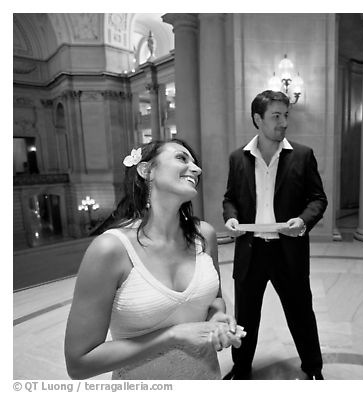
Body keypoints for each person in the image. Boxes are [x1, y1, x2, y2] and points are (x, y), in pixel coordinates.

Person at [65, 139, 246, 380]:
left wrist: (218, 316)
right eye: (182, 158)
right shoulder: (110, 249)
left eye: (195, 163)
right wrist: (173, 335)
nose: (197, 169)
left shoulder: (204, 235)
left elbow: (216, 299)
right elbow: (79, 363)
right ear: (146, 170)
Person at [222, 90, 327, 380]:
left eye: (286, 115)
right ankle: (241, 369)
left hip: (288, 251)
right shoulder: (237, 158)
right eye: (276, 116)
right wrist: (231, 218)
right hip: (251, 251)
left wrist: (303, 221)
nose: (284, 123)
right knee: (246, 318)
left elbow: (318, 199)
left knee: (301, 314)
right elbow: (230, 198)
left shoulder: (303, 156)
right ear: (258, 119)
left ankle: (313, 369)